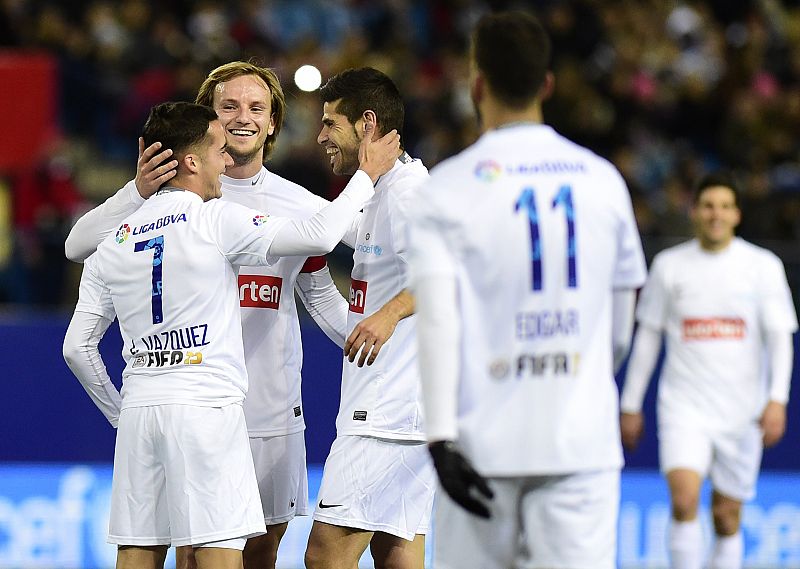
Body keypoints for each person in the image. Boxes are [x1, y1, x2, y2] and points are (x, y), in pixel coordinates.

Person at [63, 61, 394, 569]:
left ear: (273, 122)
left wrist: (380, 334)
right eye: (228, 108)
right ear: (207, 125)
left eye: (256, 107)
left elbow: (332, 283)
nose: (242, 119)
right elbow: (77, 243)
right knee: (205, 552)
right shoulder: (207, 209)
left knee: (243, 551)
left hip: (261, 409)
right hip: (211, 405)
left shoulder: (293, 201)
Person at [407, 10, 647, 569]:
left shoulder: (447, 189)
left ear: (477, 85)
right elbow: (619, 322)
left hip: (479, 445)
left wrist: (440, 437)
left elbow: (437, 320)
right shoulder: (603, 180)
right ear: (547, 84)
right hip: (579, 441)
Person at [619, 171, 797, 569]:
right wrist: (630, 403)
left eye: (724, 206)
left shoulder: (761, 266)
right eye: (708, 206)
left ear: (736, 215)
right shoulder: (669, 266)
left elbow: (780, 337)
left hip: (741, 411)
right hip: (683, 407)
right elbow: (648, 338)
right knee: (683, 501)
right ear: (695, 212)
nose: (716, 214)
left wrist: (777, 401)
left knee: (725, 515)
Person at [303, 67, 435, 569]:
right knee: (396, 553)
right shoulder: (383, 192)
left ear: (366, 125)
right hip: (401, 413)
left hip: (385, 416)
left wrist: (390, 314)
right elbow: (336, 234)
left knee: (324, 556)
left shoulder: (408, 194)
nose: (320, 137)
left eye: (330, 123)